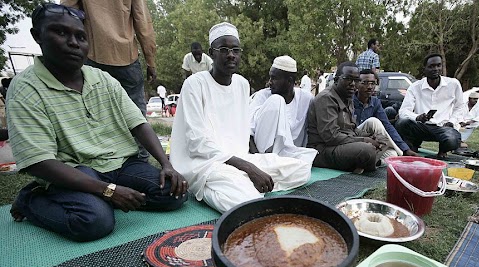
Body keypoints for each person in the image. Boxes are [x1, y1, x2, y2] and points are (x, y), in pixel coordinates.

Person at [6, 3, 188, 242]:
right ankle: (31, 199)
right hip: (75, 170)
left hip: (121, 165)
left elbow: (138, 124)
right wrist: (108, 191)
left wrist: (166, 164)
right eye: (61, 33)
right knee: (94, 222)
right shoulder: (25, 89)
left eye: (81, 36)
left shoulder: (103, 79)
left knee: (175, 193)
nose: (74, 43)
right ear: (37, 36)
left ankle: (96, 199)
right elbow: (39, 162)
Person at [170, 22, 312, 213]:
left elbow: (242, 133)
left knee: (301, 170)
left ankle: (242, 182)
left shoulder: (242, 84)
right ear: (211, 53)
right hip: (205, 164)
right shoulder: (194, 84)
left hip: (239, 159)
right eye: (224, 49)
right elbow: (197, 143)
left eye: (235, 50)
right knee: (246, 200)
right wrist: (249, 168)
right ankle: (231, 187)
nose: (231, 54)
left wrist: (250, 164)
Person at [61, 0, 158, 160]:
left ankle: (101, 161)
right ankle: (141, 162)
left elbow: (67, 13)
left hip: (92, 53)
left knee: (94, 115)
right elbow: (143, 22)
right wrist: (150, 60)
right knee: (136, 116)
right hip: (126, 57)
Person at [307, 62, 394, 173]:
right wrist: (364, 140)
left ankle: (360, 164)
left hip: (343, 143)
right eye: (348, 79)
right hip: (323, 149)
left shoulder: (348, 97)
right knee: (367, 150)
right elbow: (331, 137)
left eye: (356, 80)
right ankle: (367, 162)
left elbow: (352, 129)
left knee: (383, 139)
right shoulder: (326, 98)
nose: (353, 84)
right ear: (337, 79)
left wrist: (370, 137)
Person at [249, 56, 317, 164]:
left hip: (289, 157)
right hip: (261, 156)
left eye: (274, 78)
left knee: (307, 161)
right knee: (276, 100)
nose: (269, 82)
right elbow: (248, 133)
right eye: (270, 78)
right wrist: (258, 161)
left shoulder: (306, 99)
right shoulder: (263, 96)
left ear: (289, 81)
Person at [395, 53, 462, 158]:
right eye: (431, 66)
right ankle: (412, 146)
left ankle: (443, 150)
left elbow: (460, 107)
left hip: (443, 127)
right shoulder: (415, 87)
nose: (435, 69)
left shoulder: (453, 84)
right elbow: (403, 112)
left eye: (438, 65)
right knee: (401, 123)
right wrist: (417, 117)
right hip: (421, 126)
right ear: (424, 69)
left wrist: (451, 122)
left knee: (452, 139)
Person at [353, 69, 418, 158]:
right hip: (351, 138)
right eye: (365, 83)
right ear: (357, 84)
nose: (369, 87)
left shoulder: (375, 102)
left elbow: (387, 126)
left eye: (373, 83)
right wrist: (404, 150)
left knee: (392, 154)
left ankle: (372, 160)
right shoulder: (349, 101)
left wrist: (405, 147)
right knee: (373, 121)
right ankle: (403, 155)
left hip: (367, 141)